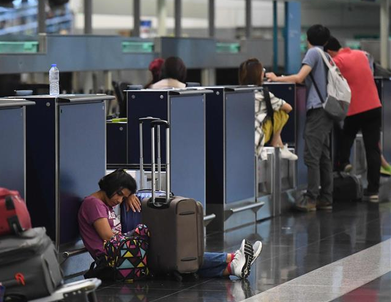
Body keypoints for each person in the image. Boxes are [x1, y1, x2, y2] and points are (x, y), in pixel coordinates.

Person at [78, 169, 263, 279]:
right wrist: (136, 235)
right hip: (113, 259)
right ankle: (231, 259)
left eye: (123, 197)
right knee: (171, 254)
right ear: (111, 189)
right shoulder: (93, 204)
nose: (120, 200)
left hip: (123, 254)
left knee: (174, 259)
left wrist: (130, 196)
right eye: (119, 195)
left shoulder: (106, 202)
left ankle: (231, 267)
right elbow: (108, 238)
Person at [266, 24, 334, 212]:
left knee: (312, 155)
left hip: (318, 109)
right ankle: (326, 197)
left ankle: (311, 198)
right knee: (323, 155)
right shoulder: (327, 55)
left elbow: (299, 78)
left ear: (308, 39)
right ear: (326, 41)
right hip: (327, 110)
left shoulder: (313, 53)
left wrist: (276, 78)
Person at [324, 36, 382, 203]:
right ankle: (373, 191)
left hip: (355, 109)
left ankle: (344, 162)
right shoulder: (360, 55)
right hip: (374, 106)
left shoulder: (337, 61)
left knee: (346, 136)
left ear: (329, 52)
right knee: (373, 149)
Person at [238, 58, 297, 161]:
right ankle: (278, 146)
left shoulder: (237, 93)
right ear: (259, 75)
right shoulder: (263, 95)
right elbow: (288, 108)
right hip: (258, 138)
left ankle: (280, 146)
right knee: (280, 113)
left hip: (239, 136)